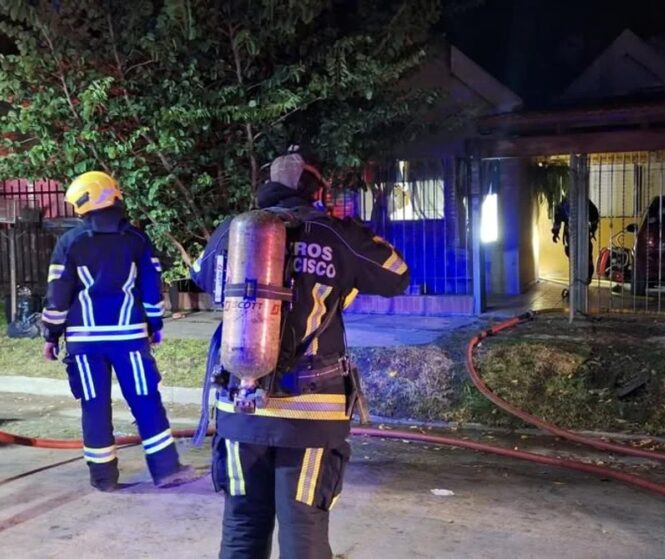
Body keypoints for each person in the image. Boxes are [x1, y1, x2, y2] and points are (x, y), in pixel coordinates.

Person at [192, 147, 411, 559]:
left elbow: (201, 275)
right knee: (303, 527)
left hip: (242, 407)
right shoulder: (335, 233)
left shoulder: (233, 231)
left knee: (242, 524)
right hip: (311, 413)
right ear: (317, 190)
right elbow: (398, 276)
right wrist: (351, 234)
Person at [42, 171, 190, 491]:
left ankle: (103, 478)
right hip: (129, 340)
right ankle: (166, 470)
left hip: (83, 343)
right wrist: (155, 325)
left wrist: (51, 335)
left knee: (94, 406)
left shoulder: (70, 243)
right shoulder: (136, 240)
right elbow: (151, 289)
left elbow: (57, 295)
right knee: (145, 399)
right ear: (112, 197)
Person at [551, 197, 600, 285]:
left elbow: (595, 217)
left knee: (587, 256)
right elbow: (557, 220)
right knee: (572, 257)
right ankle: (576, 279)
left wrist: (593, 229)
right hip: (571, 236)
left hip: (583, 234)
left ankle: (586, 277)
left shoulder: (585, 203)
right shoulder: (563, 205)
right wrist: (555, 232)